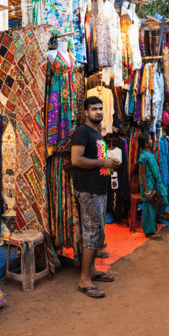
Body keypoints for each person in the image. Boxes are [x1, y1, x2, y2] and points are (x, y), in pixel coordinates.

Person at [71, 96, 121, 298]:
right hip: (88, 190)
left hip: (98, 189)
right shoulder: (83, 132)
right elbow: (76, 159)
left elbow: (97, 158)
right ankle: (84, 280)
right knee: (91, 232)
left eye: (101, 109)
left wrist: (108, 163)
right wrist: (103, 164)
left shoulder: (97, 133)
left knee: (98, 231)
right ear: (85, 112)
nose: (99, 112)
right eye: (94, 109)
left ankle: (91, 270)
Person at [136, 130, 166, 240]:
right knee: (149, 207)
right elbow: (142, 174)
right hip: (148, 185)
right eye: (149, 139)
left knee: (157, 204)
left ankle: (152, 228)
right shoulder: (143, 156)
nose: (151, 140)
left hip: (153, 183)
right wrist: (147, 190)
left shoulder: (149, 153)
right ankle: (149, 232)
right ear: (145, 143)